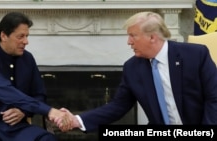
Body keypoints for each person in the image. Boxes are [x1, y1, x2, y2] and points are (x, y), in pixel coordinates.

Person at [55, 11, 217, 132]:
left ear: (152, 37)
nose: (128, 42)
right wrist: (77, 120)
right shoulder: (132, 67)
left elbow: (214, 99)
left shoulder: (195, 55)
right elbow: (118, 106)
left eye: (133, 36)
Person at [0, 12, 70, 141]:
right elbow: (7, 92)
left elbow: (39, 94)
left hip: (18, 128)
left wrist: (23, 111)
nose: (26, 41)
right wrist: (49, 111)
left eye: (27, 36)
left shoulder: (27, 58)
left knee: (47, 138)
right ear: (4, 36)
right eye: (20, 36)